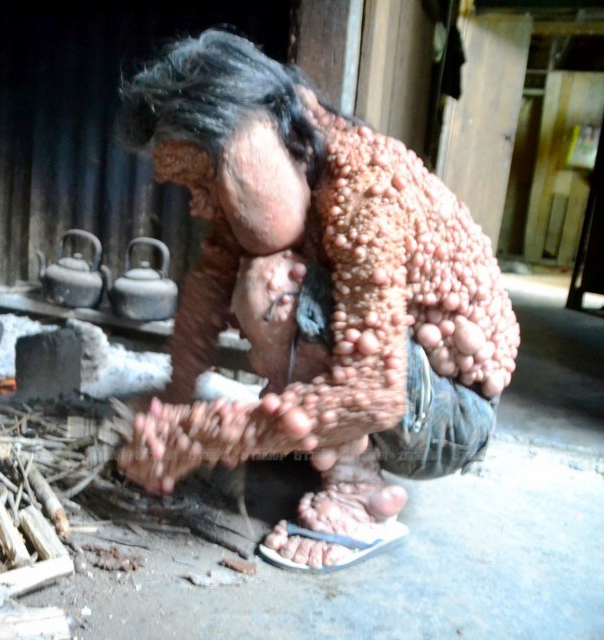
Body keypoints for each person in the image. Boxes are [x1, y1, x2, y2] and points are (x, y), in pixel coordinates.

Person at [113, 28, 521, 572]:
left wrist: (202, 437)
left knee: (276, 287)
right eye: (189, 189)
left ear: (261, 136)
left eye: (204, 180)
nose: (197, 206)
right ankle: (327, 447)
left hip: (446, 415)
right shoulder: (284, 172)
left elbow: (373, 391)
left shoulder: (363, 194)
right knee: (257, 280)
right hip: (394, 389)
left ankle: (358, 497)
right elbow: (207, 289)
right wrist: (176, 399)